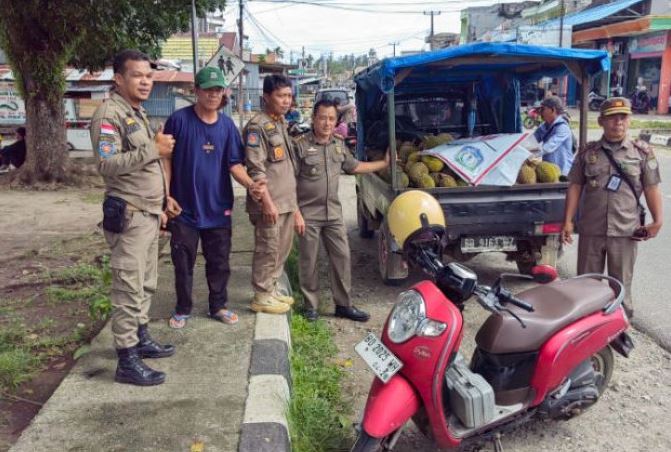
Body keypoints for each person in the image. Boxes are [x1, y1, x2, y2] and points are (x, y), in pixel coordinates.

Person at [90, 49, 176, 386]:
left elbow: (147, 166)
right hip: (129, 215)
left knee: (145, 282)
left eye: (149, 76)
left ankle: (140, 338)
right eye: (137, 75)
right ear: (119, 79)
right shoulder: (109, 115)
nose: (145, 81)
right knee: (127, 286)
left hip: (149, 213)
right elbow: (106, 165)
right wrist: (153, 149)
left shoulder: (135, 113)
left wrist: (166, 198)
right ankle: (126, 360)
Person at [162, 67, 265, 329]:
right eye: (207, 89)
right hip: (183, 209)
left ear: (224, 93)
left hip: (218, 208)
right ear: (196, 91)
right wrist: (165, 196)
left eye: (217, 89)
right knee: (183, 262)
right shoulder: (179, 121)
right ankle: (183, 307)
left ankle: (218, 305)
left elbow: (234, 164)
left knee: (219, 262)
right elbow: (166, 161)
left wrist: (251, 185)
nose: (212, 94)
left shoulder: (228, 126)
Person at [561, 97, 663, 318]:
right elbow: (575, 186)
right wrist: (568, 221)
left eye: (623, 117)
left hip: (625, 231)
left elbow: (652, 187)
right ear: (601, 121)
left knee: (621, 286)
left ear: (629, 120)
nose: (618, 122)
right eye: (612, 118)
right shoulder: (588, 153)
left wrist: (658, 221)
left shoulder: (642, 153)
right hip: (592, 230)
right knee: (586, 286)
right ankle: (586, 329)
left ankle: (619, 331)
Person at [293, 99, 389, 322]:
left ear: (336, 122)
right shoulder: (299, 145)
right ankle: (311, 306)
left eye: (331, 119)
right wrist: (295, 212)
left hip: (333, 214)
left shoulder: (338, 145)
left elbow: (354, 167)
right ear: (314, 118)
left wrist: (383, 165)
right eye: (322, 118)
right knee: (309, 261)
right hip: (308, 215)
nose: (327, 123)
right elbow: (289, 181)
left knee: (342, 258)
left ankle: (343, 305)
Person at [243, 74, 298, 314]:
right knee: (268, 248)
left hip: (285, 202)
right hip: (270, 203)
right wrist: (266, 203)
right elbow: (256, 169)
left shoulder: (280, 123)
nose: (286, 101)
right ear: (266, 97)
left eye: (289, 95)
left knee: (281, 249)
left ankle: (272, 289)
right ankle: (261, 295)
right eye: (280, 95)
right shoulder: (257, 126)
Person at [533, 96, 573, 176]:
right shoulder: (544, 126)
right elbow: (532, 140)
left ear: (552, 110)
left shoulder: (562, 128)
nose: (541, 112)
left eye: (543, 109)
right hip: (549, 173)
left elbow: (549, 146)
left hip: (563, 174)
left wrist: (531, 155)